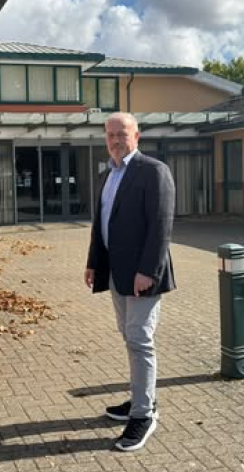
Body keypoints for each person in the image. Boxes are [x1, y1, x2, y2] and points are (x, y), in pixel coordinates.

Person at [84, 112, 176, 452]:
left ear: (136, 136)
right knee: (129, 336)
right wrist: (93, 263)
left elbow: (161, 225)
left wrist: (148, 271)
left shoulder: (153, 171)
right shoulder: (106, 175)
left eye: (121, 133)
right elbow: (101, 225)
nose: (115, 140)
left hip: (141, 275)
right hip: (116, 273)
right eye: (110, 134)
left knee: (139, 340)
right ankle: (142, 398)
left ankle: (143, 415)